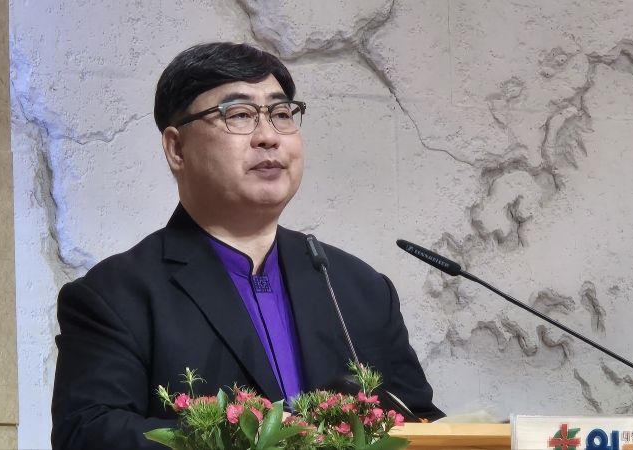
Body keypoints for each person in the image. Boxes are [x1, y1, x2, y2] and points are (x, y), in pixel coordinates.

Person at [51, 42, 444, 449]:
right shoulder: (116, 297)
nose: (268, 137)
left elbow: (421, 424)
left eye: (281, 114)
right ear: (177, 148)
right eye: (239, 115)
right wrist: (248, 439)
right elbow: (88, 435)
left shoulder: (360, 289)